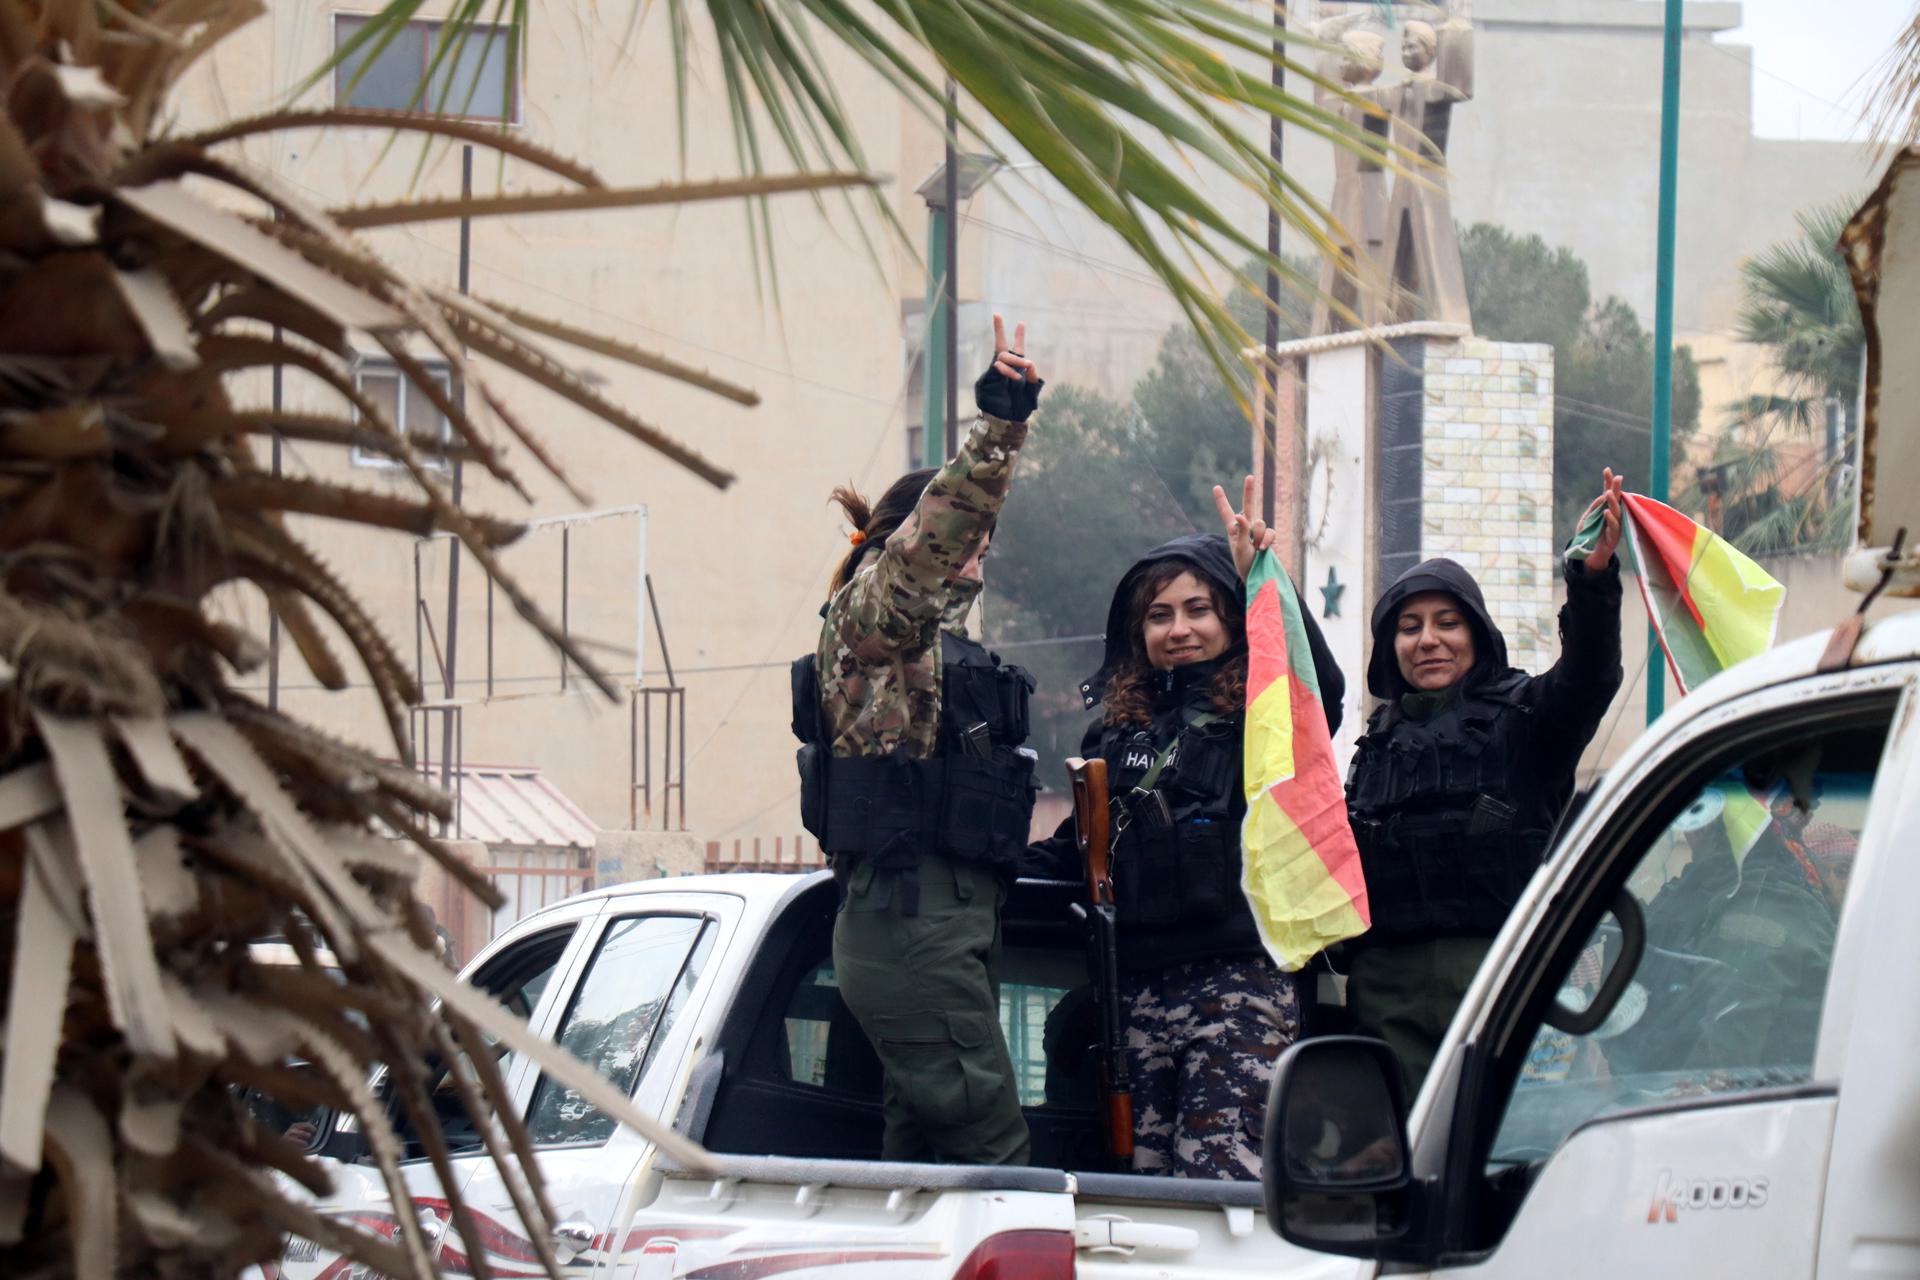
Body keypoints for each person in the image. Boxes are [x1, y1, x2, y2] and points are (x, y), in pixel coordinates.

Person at [1030, 480, 1345, 1180]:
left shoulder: (1265, 713)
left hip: (1238, 983)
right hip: (1136, 992)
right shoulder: (1112, 733)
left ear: (1232, 619)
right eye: (1161, 615)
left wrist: (1260, 577)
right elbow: (1075, 849)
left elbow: (1315, 681)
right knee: (1142, 1186)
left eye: (1200, 609)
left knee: (1222, 1184)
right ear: (1137, 634)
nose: (1179, 629)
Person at [791, 315, 1043, 1166]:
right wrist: (1001, 431)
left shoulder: (925, 656)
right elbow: (936, 536)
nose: (976, 558)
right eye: (963, 544)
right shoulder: (874, 618)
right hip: (911, 922)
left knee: (925, 1170)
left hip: (948, 925)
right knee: (998, 1162)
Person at [1344, 469, 1626, 1099]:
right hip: (1387, 990)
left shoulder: (1529, 717)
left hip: (1505, 971)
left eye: (1447, 621)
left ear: (1477, 633)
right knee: (1407, 1162)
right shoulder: (1373, 747)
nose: (1428, 640)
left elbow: (1590, 675)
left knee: (1511, 1150)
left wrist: (1591, 581)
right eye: (1409, 626)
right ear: (1390, 647)